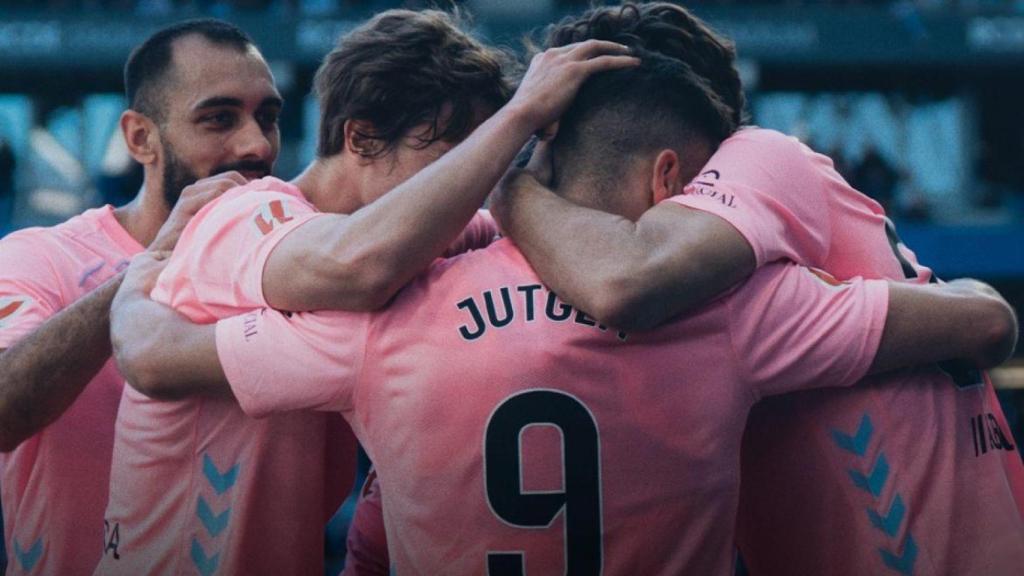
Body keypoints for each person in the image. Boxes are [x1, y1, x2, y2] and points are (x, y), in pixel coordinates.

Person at [110, 51, 1017, 575]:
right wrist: (971, 295)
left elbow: (163, 362)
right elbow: (981, 324)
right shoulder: (737, 305)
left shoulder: (387, 311)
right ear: (672, 177)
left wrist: (136, 301)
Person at [97, 9, 637, 575]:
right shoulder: (238, 213)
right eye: (458, 157)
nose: (471, 183)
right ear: (361, 137)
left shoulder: (431, 236)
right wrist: (523, 113)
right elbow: (357, 267)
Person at [490, 3, 1024, 574]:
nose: (566, 242)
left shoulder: (759, 155)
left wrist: (507, 188)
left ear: (667, 177)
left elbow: (623, 280)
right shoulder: (750, 274)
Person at [0, 19, 278, 576]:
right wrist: (152, 266)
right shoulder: (40, 257)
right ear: (139, 139)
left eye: (268, 118)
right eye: (219, 119)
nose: (255, 145)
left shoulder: (300, 262)